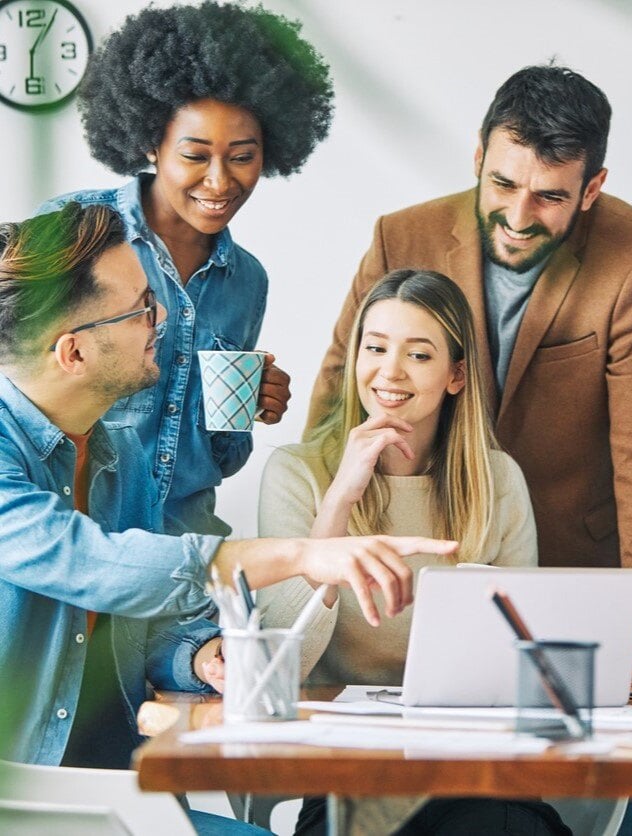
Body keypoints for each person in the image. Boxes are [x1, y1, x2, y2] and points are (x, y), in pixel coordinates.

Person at [0, 203, 457, 834]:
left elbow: (153, 623)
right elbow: (87, 561)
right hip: (25, 807)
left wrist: (201, 656)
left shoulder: (120, 456)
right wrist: (301, 555)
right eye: (140, 308)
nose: (164, 318)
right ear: (73, 352)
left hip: (127, 802)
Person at [306, 64, 632, 680]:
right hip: (414, 563)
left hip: (573, 568)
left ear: (591, 188)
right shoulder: (400, 237)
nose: (518, 215)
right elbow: (336, 403)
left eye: (549, 196)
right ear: (479, 156)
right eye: (503, 184)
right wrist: (316, 553)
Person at [259, 268, 567, 835]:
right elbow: (284, 666)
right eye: (375, 348)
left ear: (456, 375)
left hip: (476, 773)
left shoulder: (497, 481)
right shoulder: (297, 474)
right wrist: (341, 499)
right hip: (351, 774)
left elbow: (523, 666)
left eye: (419, 355)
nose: (390, 371)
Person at [38, 0, 334, 536]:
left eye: (242, 157)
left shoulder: (246, 280)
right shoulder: (72, 232)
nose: (220, 182)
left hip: (184, 557)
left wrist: (251, 409)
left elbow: (216, 460)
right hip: (81, 549)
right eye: (195, 155)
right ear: (152, 143)